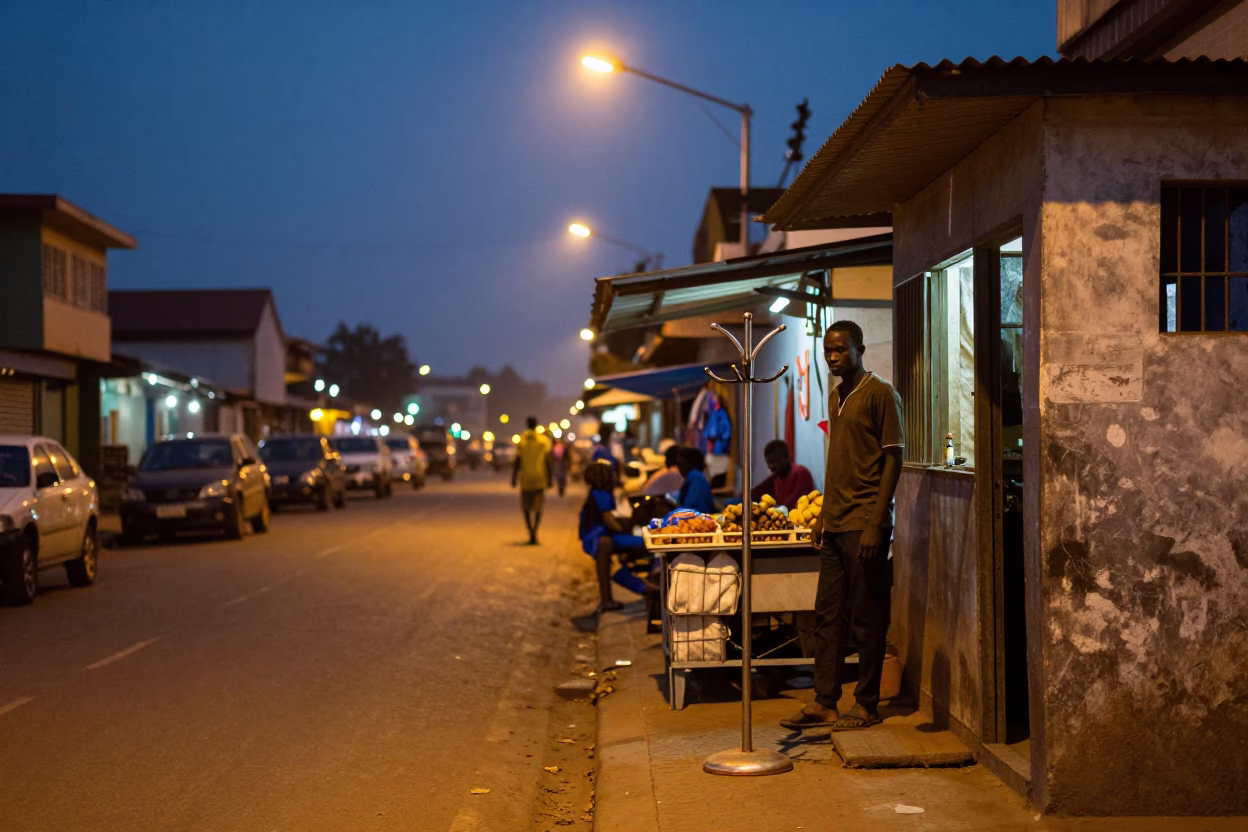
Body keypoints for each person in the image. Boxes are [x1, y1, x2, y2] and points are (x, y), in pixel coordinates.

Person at [782, 320, 903, 733]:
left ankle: (866, 704)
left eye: (840, 350)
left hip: (865, 524)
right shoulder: (835, 396)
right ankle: (824, 702)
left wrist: (876, 523)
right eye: (828, 351)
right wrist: (822, 516)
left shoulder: (880, 394)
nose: (833, 358)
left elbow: (893, 459)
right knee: (827, 615)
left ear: (859, 349)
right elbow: (840, 461)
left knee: (867, 617)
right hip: (834, 523)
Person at [579, 461, 648, 612]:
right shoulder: (601, 493)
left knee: (609, 567)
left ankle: (610, 599)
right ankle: (645, 589)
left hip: (595, 537)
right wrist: (623, 530)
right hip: (597, 537)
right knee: (644, 545)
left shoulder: (596, 492)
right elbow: (608, 518)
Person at [512, 416, 552, 545]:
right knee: (538, 507)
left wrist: (513, 477)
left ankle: (531, 532)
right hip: (540, 478)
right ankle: (535, 531)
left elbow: (517, 461)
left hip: (525, 479)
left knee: (526, 508)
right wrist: (550, 477)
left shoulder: (521, 440)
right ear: (536, 425)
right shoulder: (544, 440)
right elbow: (548, 461)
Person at [750, 439, 816, 509]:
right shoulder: (777, 477)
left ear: (786, 457)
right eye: (768, 463)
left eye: (773, 462)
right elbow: (756, 492)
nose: (770, 466)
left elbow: (792, 505)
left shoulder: (801, 474)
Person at [676, 447, 715, 514]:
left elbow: (690, 507)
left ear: (686, 463)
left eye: (679, 463)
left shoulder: (696, 476)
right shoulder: (696, 476)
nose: (678, 467)